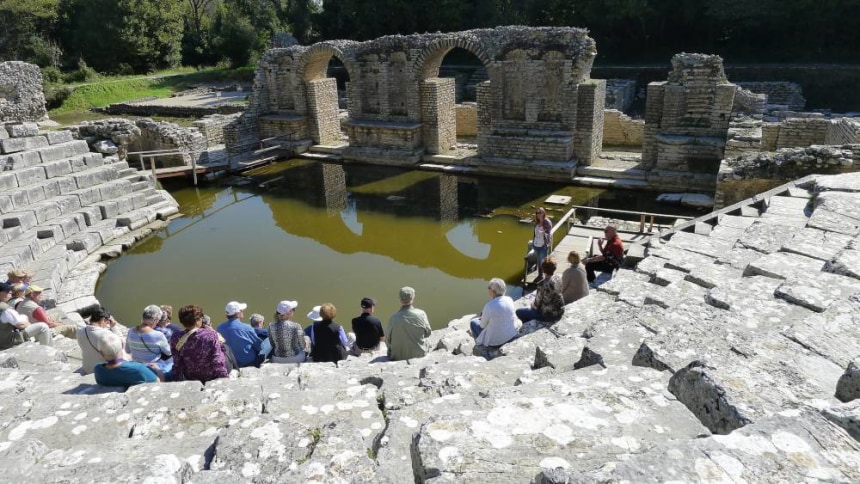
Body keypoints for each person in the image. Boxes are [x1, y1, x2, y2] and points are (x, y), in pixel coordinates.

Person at [170, 305, 229, 383]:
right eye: (201, 317)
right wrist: (223, 377)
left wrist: (178, 379)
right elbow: (217, 358)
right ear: (197, 320)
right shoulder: (211, 334)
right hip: (210, 375)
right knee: (226, 348)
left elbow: (177, 362)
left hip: (190, 375)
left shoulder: (175, 336)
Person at [93, 332, 160, 388]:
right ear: (122, 345)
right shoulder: (138, 368)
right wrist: (158, 370)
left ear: (101, 352)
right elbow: (157, 382)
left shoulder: (98, 370)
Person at [386, 286, 432, 361]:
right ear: (413, 298)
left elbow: (387, 339)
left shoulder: (393, 318)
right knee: (428, 342)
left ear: (400, 299)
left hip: (397, 356)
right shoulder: (421, 314)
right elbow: (428, 333)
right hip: (419, 354)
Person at [470, 278, 518, 347]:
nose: (488, 289)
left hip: (494, 342)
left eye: (489, 288)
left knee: (473, 322)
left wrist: (483, 318)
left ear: (493, 292)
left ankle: (479, 345)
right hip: (510, 335)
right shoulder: (509, 299)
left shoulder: (489, 306)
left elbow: (482, 326)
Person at [126, 305, 173, 376]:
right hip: (153, 367)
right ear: (155, 319)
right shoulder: (158, 335)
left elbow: (127, 350)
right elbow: (168, 352)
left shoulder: (131, 331)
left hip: (136, 366)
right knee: (173, 363)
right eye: (157, 320)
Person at [516, 258, 565, 324]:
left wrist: (532, 304)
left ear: (543, 270)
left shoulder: (542, 284)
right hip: (560, 310)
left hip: (549, 315)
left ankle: (528, 324)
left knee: (518, 312)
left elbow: (536, 305)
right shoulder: (558, 278)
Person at [76, 307, 124, 374]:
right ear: (103, 319)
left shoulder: (79, 331)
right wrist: (114, 327)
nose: (107, 324)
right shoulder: (105, 335)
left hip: (87, 367)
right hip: (100, 370)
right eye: (107, 322)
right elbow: (121, 344)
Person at [217, 301, 263, 368]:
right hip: (248, 363)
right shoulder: (247, 328)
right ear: (238, 314)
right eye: (241, 310)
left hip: (231, 363)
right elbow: (260, 346)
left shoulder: (219, 328)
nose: (243, 312)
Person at [532, 207, 553, 281]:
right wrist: (533, 243)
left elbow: (549, 232)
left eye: (540, 212)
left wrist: (545, 233)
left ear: (544, 213)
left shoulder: (547, 222)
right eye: (537, 213)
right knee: (538, 260)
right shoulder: (536, 221)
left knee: (543, 261)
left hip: (543, 246)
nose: (538, 214)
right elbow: (535, 233)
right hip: (536, 245)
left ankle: (546, 275)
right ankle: (540, 275)